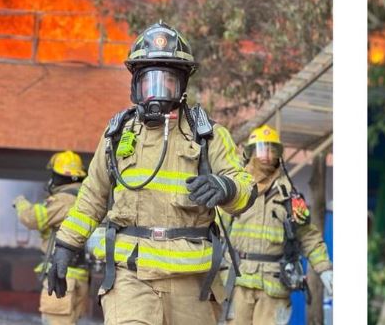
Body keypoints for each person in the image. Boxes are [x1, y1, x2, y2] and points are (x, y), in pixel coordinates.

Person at [45, 22, 257, 325]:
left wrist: (226, 187)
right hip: (131, 278)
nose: (158, 92)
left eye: (167, 81)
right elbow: (91, 197)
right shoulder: (117, 136)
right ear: (136, 85)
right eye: (150, 81)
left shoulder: (208, 136)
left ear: (182, 86)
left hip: (192, 283)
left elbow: (246, 187)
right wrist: (65, 246)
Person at [221, 125, 332, 325]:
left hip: (274, 285)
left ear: (278, 154)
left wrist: (324, 268)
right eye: (261, 149)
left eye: (271, 149)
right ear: (251, 152)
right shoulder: (236, 189)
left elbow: (307, 235)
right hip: (238, 280)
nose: (266, 155)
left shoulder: (289, 194)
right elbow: (216, 228)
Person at [15, 150, 89, 324]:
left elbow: (32, 218)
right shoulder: (86, 198)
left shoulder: (64, 199)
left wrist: (20, 203)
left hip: (63, 276)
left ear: (59, 176)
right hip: (80, 275)